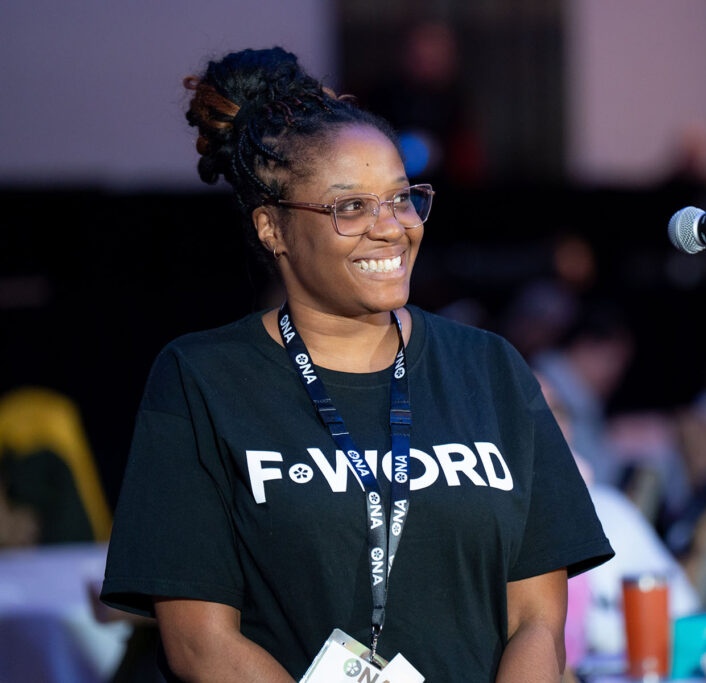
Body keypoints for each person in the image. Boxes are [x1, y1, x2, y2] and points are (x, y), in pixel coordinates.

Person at [100, 47, 612, 682]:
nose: (391, 228)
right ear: (272, 228)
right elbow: (202, 645)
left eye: (401, 198)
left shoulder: (490, 368)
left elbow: (537, 619)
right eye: (350, 207)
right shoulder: (202, 379)